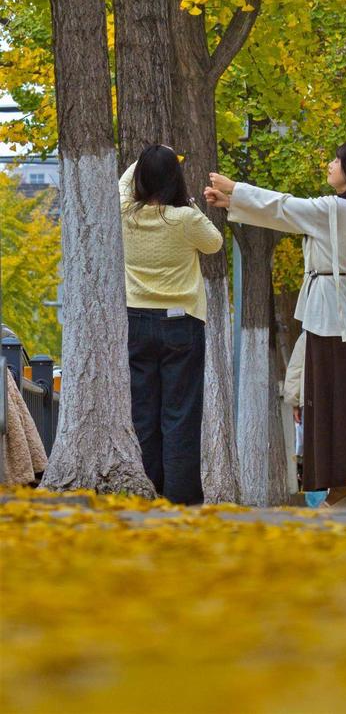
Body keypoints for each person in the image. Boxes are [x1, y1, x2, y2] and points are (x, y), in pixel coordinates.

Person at [205, 139, 346, 508]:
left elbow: (285, 207)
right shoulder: (339, 210)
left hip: (333, 317)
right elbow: (285, 214)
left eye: (337, 160)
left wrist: (236, 190)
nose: (329, 164)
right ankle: (339, 491)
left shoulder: (339, 209)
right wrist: (233, 202)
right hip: (325, 311)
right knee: (327, 402)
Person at [120, 145, 223, 505]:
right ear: (174, 180)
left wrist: (144, 160)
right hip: (182, 322)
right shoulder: (186, 218)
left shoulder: (124, 215)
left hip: (136, 320)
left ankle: (148, 490)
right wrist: (189, 199)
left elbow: (123, 185)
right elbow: (214, 243)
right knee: (180, 412)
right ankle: (180, 496)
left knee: (143, 412)